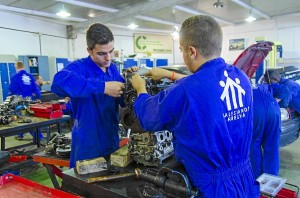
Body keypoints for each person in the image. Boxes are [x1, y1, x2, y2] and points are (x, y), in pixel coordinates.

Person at [130, 15, 260, 197]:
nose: (183, 55)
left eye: (182, 50)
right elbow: (206, 87)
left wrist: (140, 88)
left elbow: (148, 117)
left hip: (212, 188)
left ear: (191, 51)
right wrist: (170, 74)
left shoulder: (186, 90)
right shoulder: (241, 78)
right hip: (244, 177)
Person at [51, 23, 137, 170]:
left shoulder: (113, 69)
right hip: (87, 143)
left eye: (111, 51)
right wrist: (103, 87)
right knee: (84, 187)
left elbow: (123, 101)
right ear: (89, 50)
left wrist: (131, 82)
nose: (108, 58)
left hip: (111, 139)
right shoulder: (79, 68)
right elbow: (58, 83)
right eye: (102, 53)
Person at [250, 83, 281, 179]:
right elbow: (282, 89)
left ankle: (257, 177)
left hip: (255, 108)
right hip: (274, 107)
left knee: (254, 143)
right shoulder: (263, 85)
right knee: (272, 144)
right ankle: (272, 178)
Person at [10, 61, 43, 140]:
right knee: (29, 119)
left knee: (22, 119)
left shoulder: (15, 76)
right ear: (23, 67)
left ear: (16, 67)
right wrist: (38, 97)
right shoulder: (30, 76)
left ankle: (39, 137)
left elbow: (12, 89)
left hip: (20, 102)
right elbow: (36, 88)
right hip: (30, 101)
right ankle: (21, 134)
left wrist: (9, 100)